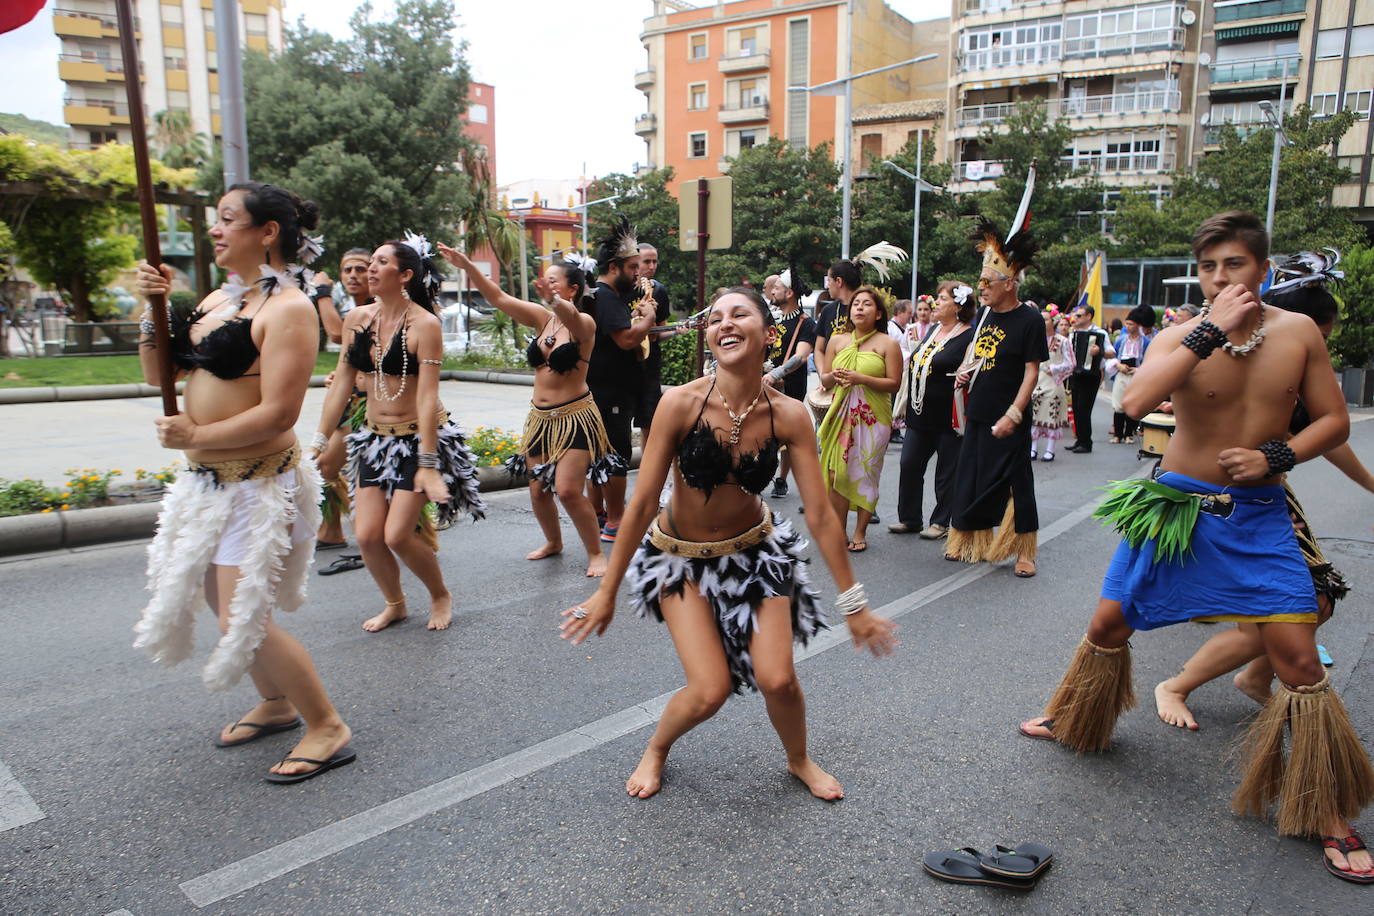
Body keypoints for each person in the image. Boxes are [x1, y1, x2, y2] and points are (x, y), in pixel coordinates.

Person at [1019, 213, 1374, 883]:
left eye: (1234, 264)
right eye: (1209, 267)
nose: (1220, 277)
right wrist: (1207, 332)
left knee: (1298, 657)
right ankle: (1077, 717)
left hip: (1259, 517)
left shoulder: (1298, 334)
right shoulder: (1183, 337)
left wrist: (1279, 453)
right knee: (1108, 623)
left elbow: (1332, 420)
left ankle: (1326, 807)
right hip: (1175, 508)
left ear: (1261, 270)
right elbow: (1136, 403)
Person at [559, 287, 897, 801]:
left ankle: (799, 758)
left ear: (768, 332)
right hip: (679, 560)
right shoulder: (680, 403)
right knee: (709, 690)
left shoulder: (788, 414)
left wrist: (855, 604)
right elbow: (644, 501)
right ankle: (656, 748)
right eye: (716, 318)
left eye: (739, 315)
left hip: (755, 554)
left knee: (778, 680)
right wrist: (606, 590)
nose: (725, 324)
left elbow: (822, 517)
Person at [131, 181, 353, 784]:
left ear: (268, 232)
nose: (216, 230)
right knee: (216, 597)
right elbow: (161, 371)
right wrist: (150, 313)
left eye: (228, 219)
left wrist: (195, 437)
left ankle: (327, 725)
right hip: (207, 487)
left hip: (256, 486)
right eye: (216, 220)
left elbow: (280, 415)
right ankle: (278, 702)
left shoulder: (289, 309)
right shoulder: (215, 300)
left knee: (242, 617)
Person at [1153, 251, 1373, 736]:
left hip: (1266, 495)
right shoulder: (1245, 345)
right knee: (1125, 610)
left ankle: (1255, 674)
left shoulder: (1296, 348)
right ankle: (1178, 684)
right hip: (1209, 496)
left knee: (1308, 602)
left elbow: (1327, 430)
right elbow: (1138, 400)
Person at [310, 232, 485, 633]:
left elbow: (427, 398)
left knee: (396, 535)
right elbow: (341, 384)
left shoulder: (425, 324)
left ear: (405, 274)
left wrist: (426, 462)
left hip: (419, 438)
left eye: (381, 263)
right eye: (370, 261)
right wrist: (320, 440)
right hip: (374, 439)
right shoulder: (357, 320)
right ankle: (396, 603)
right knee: (368, 535)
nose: (370, 268)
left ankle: (440, 594)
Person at [438, 244, 622, 578]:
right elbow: (497, 297)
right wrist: (467, 265)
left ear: (573, 289)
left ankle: (596, 553)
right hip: (539, 419)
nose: (546, 285)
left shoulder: (585, 325)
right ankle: (553, 542)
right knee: (537, 489)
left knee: (567, 490)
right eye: (545, 281)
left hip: (574, 417)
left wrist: (553, 301)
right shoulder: (543, 321)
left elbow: (570, 316)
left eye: (554, 282)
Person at [945, 218, 1048, 579]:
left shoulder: (1030, 319)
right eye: (981, 281)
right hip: (979, 410)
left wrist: (1014, 414)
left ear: (1010, 284)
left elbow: (1031, 372)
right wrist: (965, 371)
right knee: (972, 476)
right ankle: (971, 542)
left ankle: (1023, 551)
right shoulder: (986, 315)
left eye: (988, 282)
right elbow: (981, 356)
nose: (982, 288)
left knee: (1017, 482)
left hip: (1009, 414)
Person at [585, 219, 658, 545]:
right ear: (614, 267)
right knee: (614, 455)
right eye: (632, 267)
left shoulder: (600, 294)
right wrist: (649, 319)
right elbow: (627, 340)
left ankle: (600, 514)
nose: (637, 274)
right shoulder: (607, 297)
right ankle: (615, 520)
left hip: (602, 390)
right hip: (609, 391)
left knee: (599, 455)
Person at [817, 286, 903, 552]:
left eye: (866, 304)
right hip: (840, 414)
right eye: (856, 304)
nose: (859, 308)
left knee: (865, 474)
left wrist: (860, 379)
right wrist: (836, 376)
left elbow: (894, 384)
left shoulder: (888, 344)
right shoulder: (836, 341)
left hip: (873, 418)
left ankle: (860, 531)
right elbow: (825, 378)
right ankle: (838, 531)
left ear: (878, 313)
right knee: (836, 473)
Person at [890, 280, 975, 539]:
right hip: (919, 413)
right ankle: (910, 518)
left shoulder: (969, 335)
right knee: (909, 464)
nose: (936, 303)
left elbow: (974, 368)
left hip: (948, 416)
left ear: (958, 306)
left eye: (943, 298)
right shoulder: (932, 331)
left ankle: (940, 521)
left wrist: (965, 375)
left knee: (946, 472)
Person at [314, 247, 375, 557]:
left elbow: (337, 334)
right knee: (325, 465)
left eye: (360, 269)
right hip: (352, 399)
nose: (353, 275)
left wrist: (322, 294)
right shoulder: (356, 309)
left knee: (376, 472)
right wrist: (340, 378)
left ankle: (410, 534)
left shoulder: (378, 306)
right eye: (347, 270)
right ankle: (332, 530)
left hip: (379, 404)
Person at [764, 260, 817, 499]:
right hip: (764, 383)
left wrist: (776, 373)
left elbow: (802, 356)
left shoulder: (806, 323)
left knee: (784, 434)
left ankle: (781, 479)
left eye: (776, 287)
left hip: (789, 386)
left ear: (789, 292)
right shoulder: (771, 319)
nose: (772, 291)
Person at [635, 242, 673, 437]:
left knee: (650, 422)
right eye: (646, 262)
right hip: (624, 364)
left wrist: (677, 331)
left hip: (649, 364)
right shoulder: (622, 290)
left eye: (655, 262)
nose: (651, 267)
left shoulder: (659, 290)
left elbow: (659, 333)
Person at [1066, 304, 1114, 454]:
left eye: (1079, 316)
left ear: (1088, 316)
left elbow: (1111, 352)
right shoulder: (1073, 333)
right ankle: (1080, 440)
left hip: (1091, 375)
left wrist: (1099, 351)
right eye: (1076, 315)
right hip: (1076, 374)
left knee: (1084, 409)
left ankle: (1086, 442)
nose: (1076, 318)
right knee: (1076, 408)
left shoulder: (1100, 333)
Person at [1030, 309, 1073, 462]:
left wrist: (1054, 369)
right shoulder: (1034, 339)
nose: (1043, 322)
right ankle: (1033, 448)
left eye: (1047, 319)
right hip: (1036, 382)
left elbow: (1071, 363)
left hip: (1053, 382)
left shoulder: (1063, 341)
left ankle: (1050, 449)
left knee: (1051, 416)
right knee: (1034, 416)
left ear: (1053, 322)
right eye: (1041, 319)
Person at [1109, 304, 1155, 444]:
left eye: (1131, 324)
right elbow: (1113, 356)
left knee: (1131, 404)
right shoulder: (1121, 340)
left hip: (1136, 374)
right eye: (1127, 323)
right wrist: (1118, 365)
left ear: (1138, 325)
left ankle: (1129, 433)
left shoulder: (1146, 342)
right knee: (1118, 404)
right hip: (1122, 372)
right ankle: (1118, 434)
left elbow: (1150, 360)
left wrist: (1138, 370)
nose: (1128, 326)